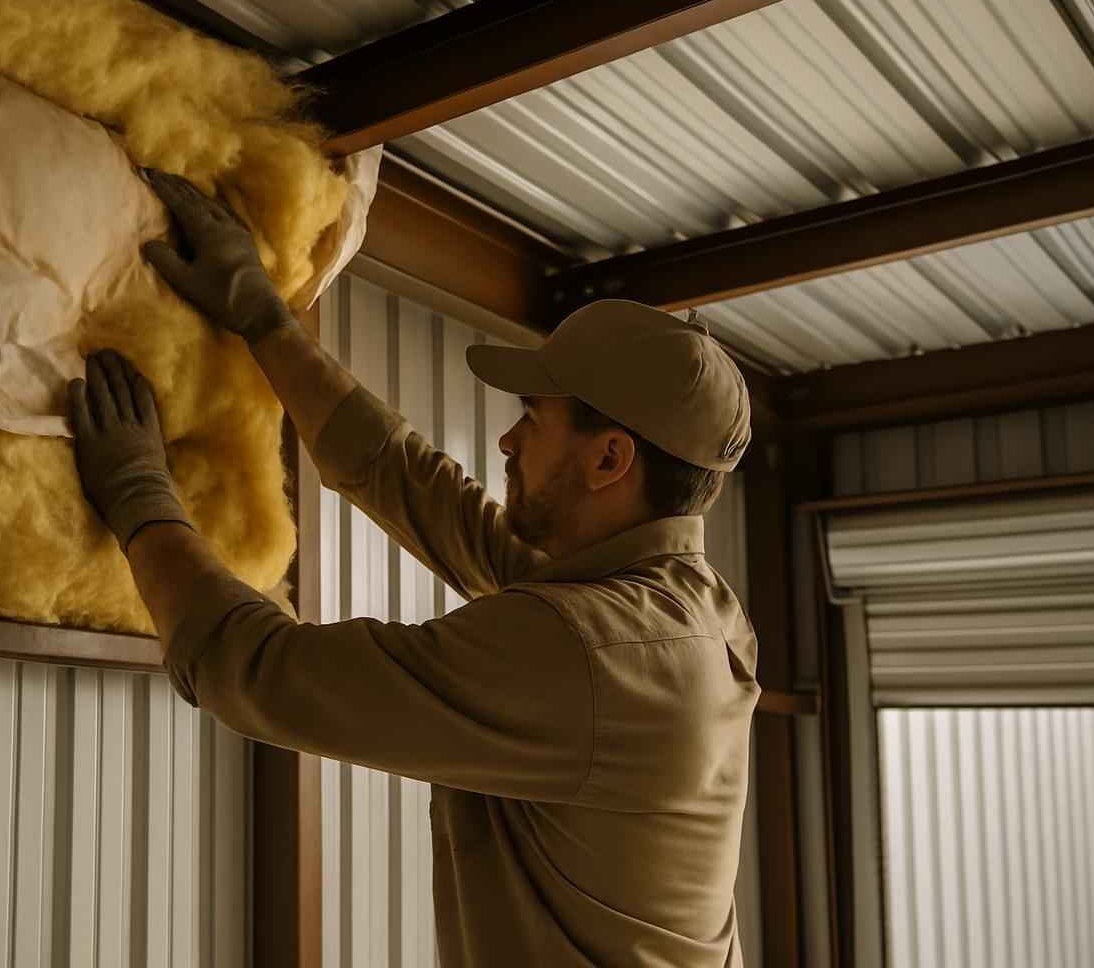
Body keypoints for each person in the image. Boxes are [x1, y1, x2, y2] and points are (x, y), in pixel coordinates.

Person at [69, 168, 760, 967]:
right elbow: (423, 490)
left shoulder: (589, 655)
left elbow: (261, 672)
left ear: (609, 457)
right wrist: (263, 317)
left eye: (533, 423)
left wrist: (139, 497)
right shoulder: (687, 608)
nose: (507, 445)